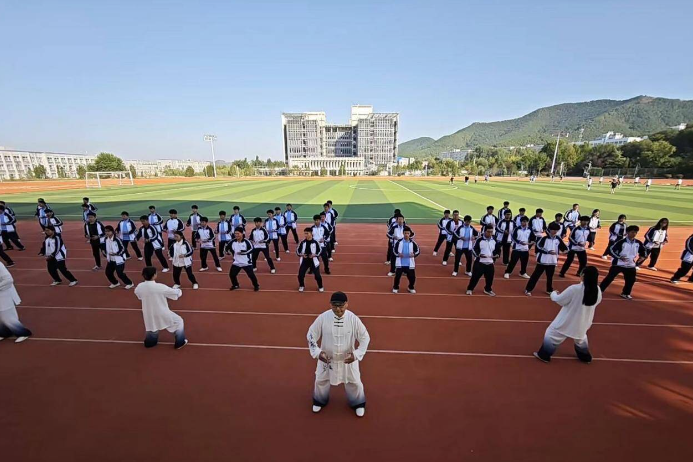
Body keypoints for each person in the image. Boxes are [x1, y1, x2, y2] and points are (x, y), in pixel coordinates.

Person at [307, 292, 370, 417]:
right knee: (321, 380)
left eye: (341, 306)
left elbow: (365, 338)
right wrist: (318, 353)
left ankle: (357, 403)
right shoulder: (323, 317)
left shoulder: (353, 319)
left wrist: (356, 354)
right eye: (335, 306)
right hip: (327, 359)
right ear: (330, 305)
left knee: (354, 381)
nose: (338, 309)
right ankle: (320, 400)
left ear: (347, 304)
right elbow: (311, 335)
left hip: (348, 359)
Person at [533, 266, 601, 364]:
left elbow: (560, 300)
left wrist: (553, 293)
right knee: (580, 338)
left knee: (551, 334)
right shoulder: (597, 290)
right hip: (584, 322)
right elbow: (596, 302)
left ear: (584, 275)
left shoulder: (575, 289)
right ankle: (585, 357)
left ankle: (544, 354)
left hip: (567, 321)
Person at [134, 266, 188, 349]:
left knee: (152, 326)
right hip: (161, 311)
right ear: (154, 275)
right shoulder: (160, 287)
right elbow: (175, 293)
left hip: (148, 312)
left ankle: (150, 342)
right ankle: (180, 342)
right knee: (179, 321)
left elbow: (138, 294)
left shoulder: (140, 286)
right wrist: (179, 291)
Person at [600, 225, 647, 300]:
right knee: (609, 278)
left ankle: (626, 293)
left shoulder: (638, 243)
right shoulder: (621, 242)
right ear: (627, 232)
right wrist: (619, 257)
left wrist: (643, 256)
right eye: (632, 232)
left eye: (635, 232)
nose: (634, 234)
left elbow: (643, 250)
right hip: (618, 264)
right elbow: (611, 249)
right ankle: (600, 291)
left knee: (631, 280)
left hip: (630, 265)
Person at [524, 222, 568, 296]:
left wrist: (566, 251)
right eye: (553, 230)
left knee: (550, 277)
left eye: (556, 230)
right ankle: (528, 289)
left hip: (552, 261)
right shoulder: (544, 238)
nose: (555, 232)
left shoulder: (558, 239)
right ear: (549, 230)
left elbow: (564, 247)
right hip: (543, 261)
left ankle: (549, 290)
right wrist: (547, 251)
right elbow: (538, 246)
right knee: (536, 276)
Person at [0, 262, 32, 343]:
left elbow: (8, 279)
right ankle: (5, 333)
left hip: (4, 295)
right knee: (1, 317)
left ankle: (23, 333)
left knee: (8, 317)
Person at [466, 225, 498, 296]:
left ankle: (488, 289)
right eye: (488, 232)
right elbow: (474, 249)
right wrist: (479, 255)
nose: (489, 234)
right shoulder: (479, 240)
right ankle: (470, 289)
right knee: (475, 277)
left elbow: (496, 250)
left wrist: (496, 255)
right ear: (484, 231)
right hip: (480, 263)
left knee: (490, 278)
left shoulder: (494, 240)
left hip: (490, 263)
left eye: (491, 232)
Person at [392, 226, 420, 294]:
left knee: (412, 277)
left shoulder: (413, 243)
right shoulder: (399, 242)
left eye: (408, 233)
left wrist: (414, 254)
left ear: (410, 234)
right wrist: (398, 254)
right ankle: (395, 287)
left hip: (409, 263)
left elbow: (418, 251)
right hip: (400, 263)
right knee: (397, 277)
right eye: (405, 233)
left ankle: (411, 287)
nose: (406, 235)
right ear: (403, 233)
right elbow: (394, 250)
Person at [297, 227, 324, 293]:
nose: (306, 235)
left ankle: (320, 286)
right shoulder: (302, 242)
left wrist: (315, 255)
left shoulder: (315, 242)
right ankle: (301, 285)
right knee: (300, 274)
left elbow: (320, 251)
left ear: (311, 233)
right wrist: (302, 255)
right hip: (305, 261)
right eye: (305, 233)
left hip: (313, 261)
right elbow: (297, 251)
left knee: (317, 275)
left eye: (307, 233)